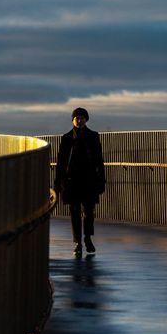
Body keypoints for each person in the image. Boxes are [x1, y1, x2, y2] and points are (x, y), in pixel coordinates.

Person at [54, 107, 106, 256]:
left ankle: (87, 238)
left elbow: (98, 160)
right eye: (77, 117)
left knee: (89, 211)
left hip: (89, 180)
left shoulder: (93, 136)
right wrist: (58, 182)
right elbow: (61, 162)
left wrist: (101, 180)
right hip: (71, 181)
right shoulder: (66, 138)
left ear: (86, 120)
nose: (79, 119)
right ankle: (78, 242)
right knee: (75, 212)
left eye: (82, 117)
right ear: (73, 120)